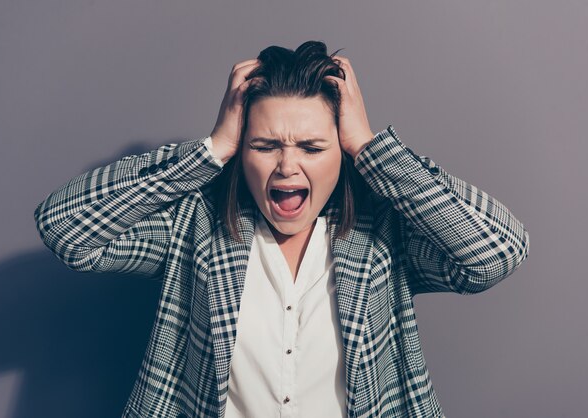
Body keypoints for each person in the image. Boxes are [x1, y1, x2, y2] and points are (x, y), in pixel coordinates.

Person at [34, 41, 530, 418]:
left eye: (312, 148)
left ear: (342, 153)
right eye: (265, 144)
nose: (287, 166)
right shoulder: (193, 225)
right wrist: (211, 148)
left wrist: (371, 147)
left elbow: (497, 253)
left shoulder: (384, 234)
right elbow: (65, 229)